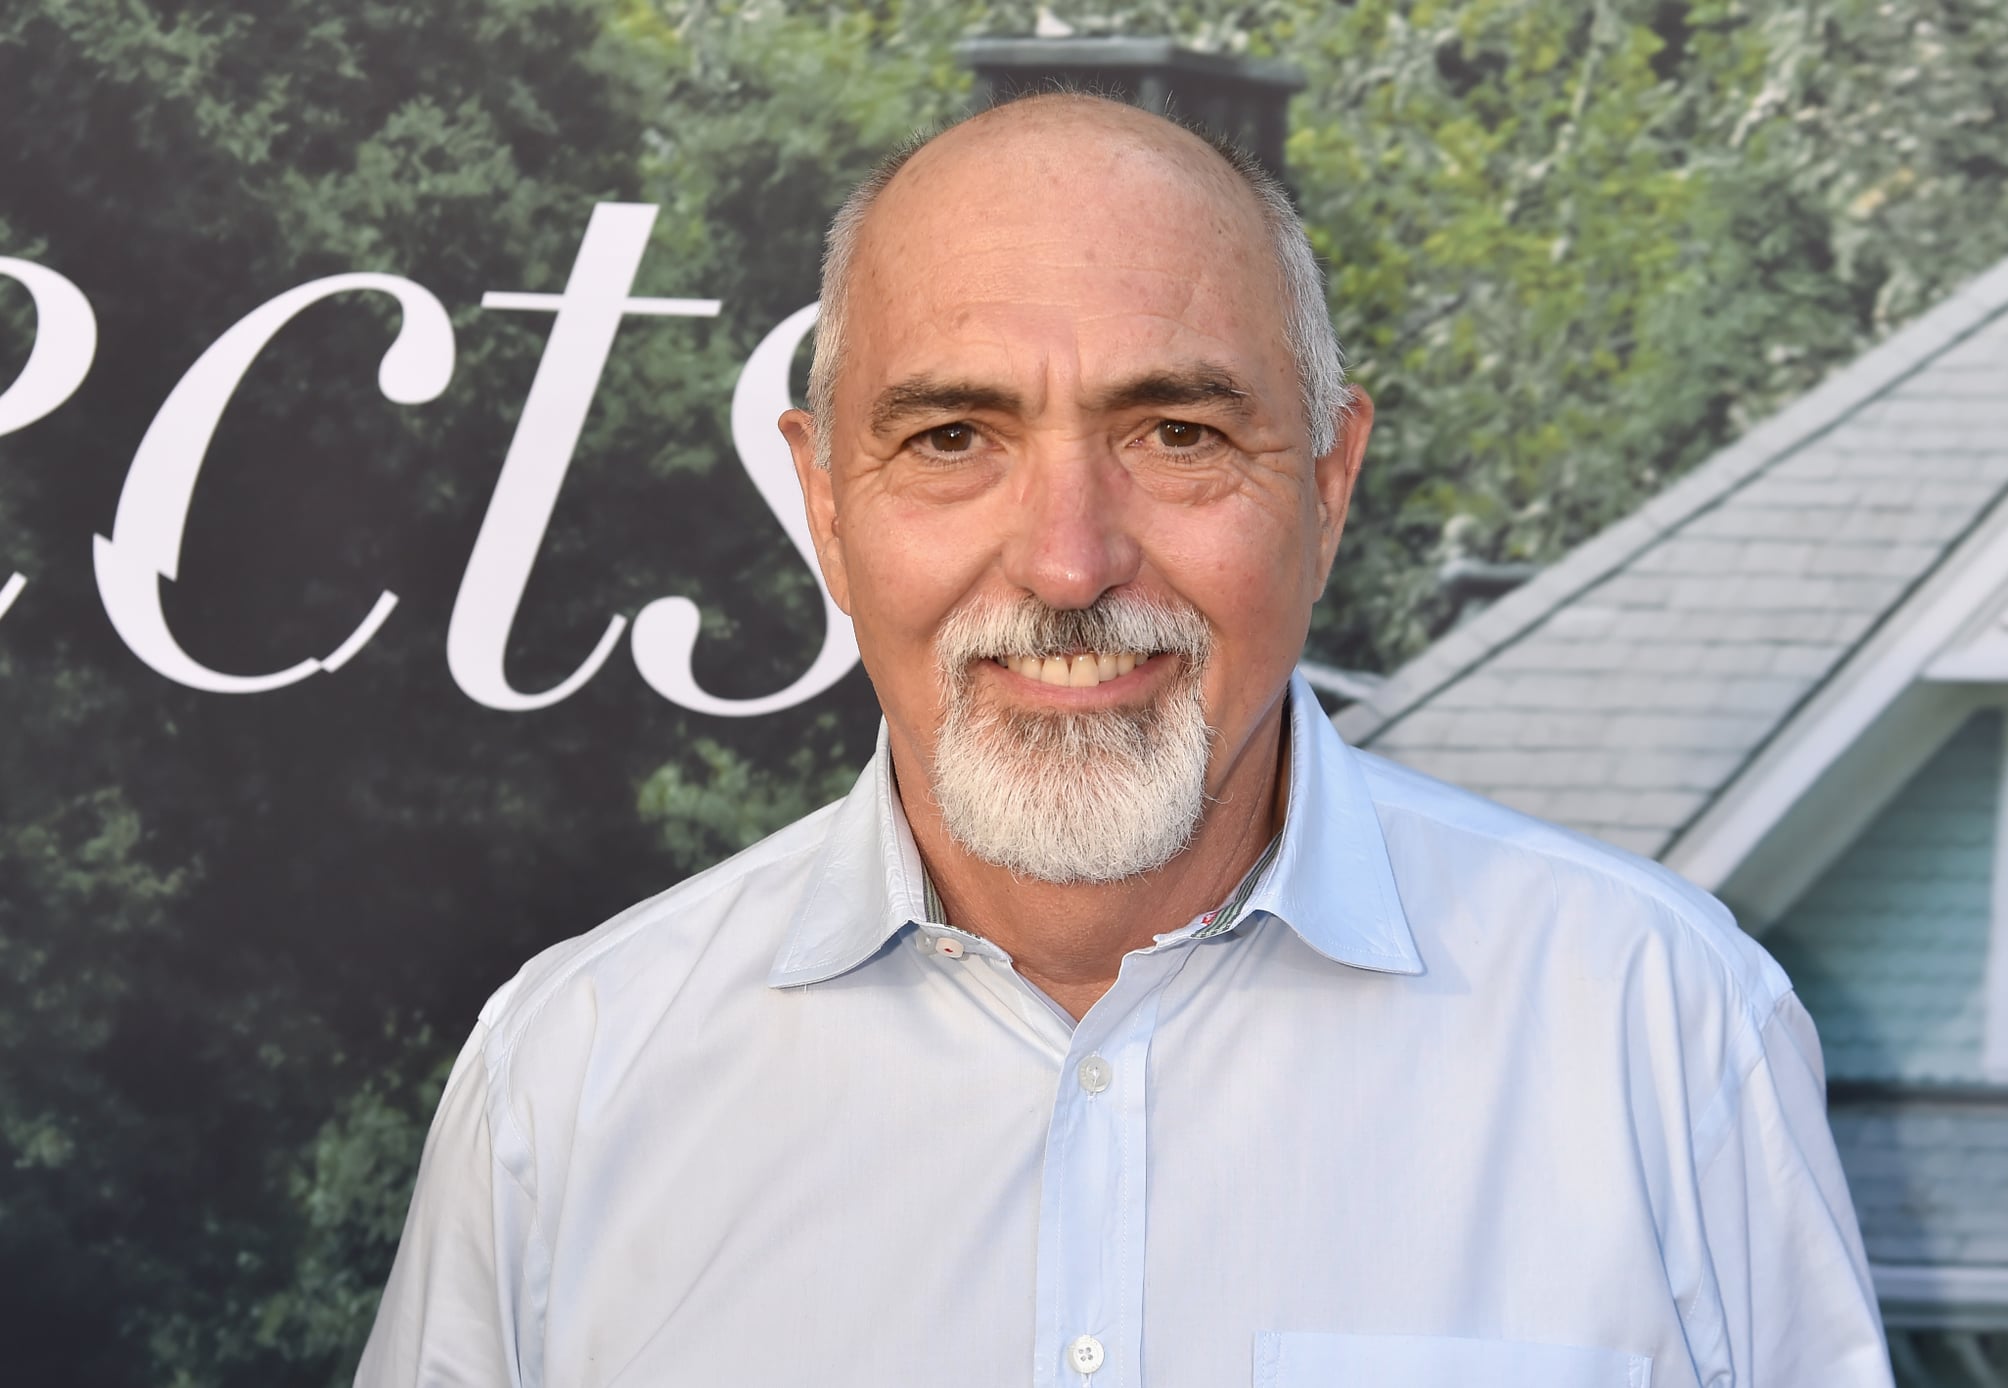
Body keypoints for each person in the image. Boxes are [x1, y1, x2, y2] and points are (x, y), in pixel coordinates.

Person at [356, 93, 1892, 1387]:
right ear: (826, 505)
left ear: (1330, 482)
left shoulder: (1662, 1034)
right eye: (954, 439)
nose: (1070, 561)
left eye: (1179, 435)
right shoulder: (569, 1084)